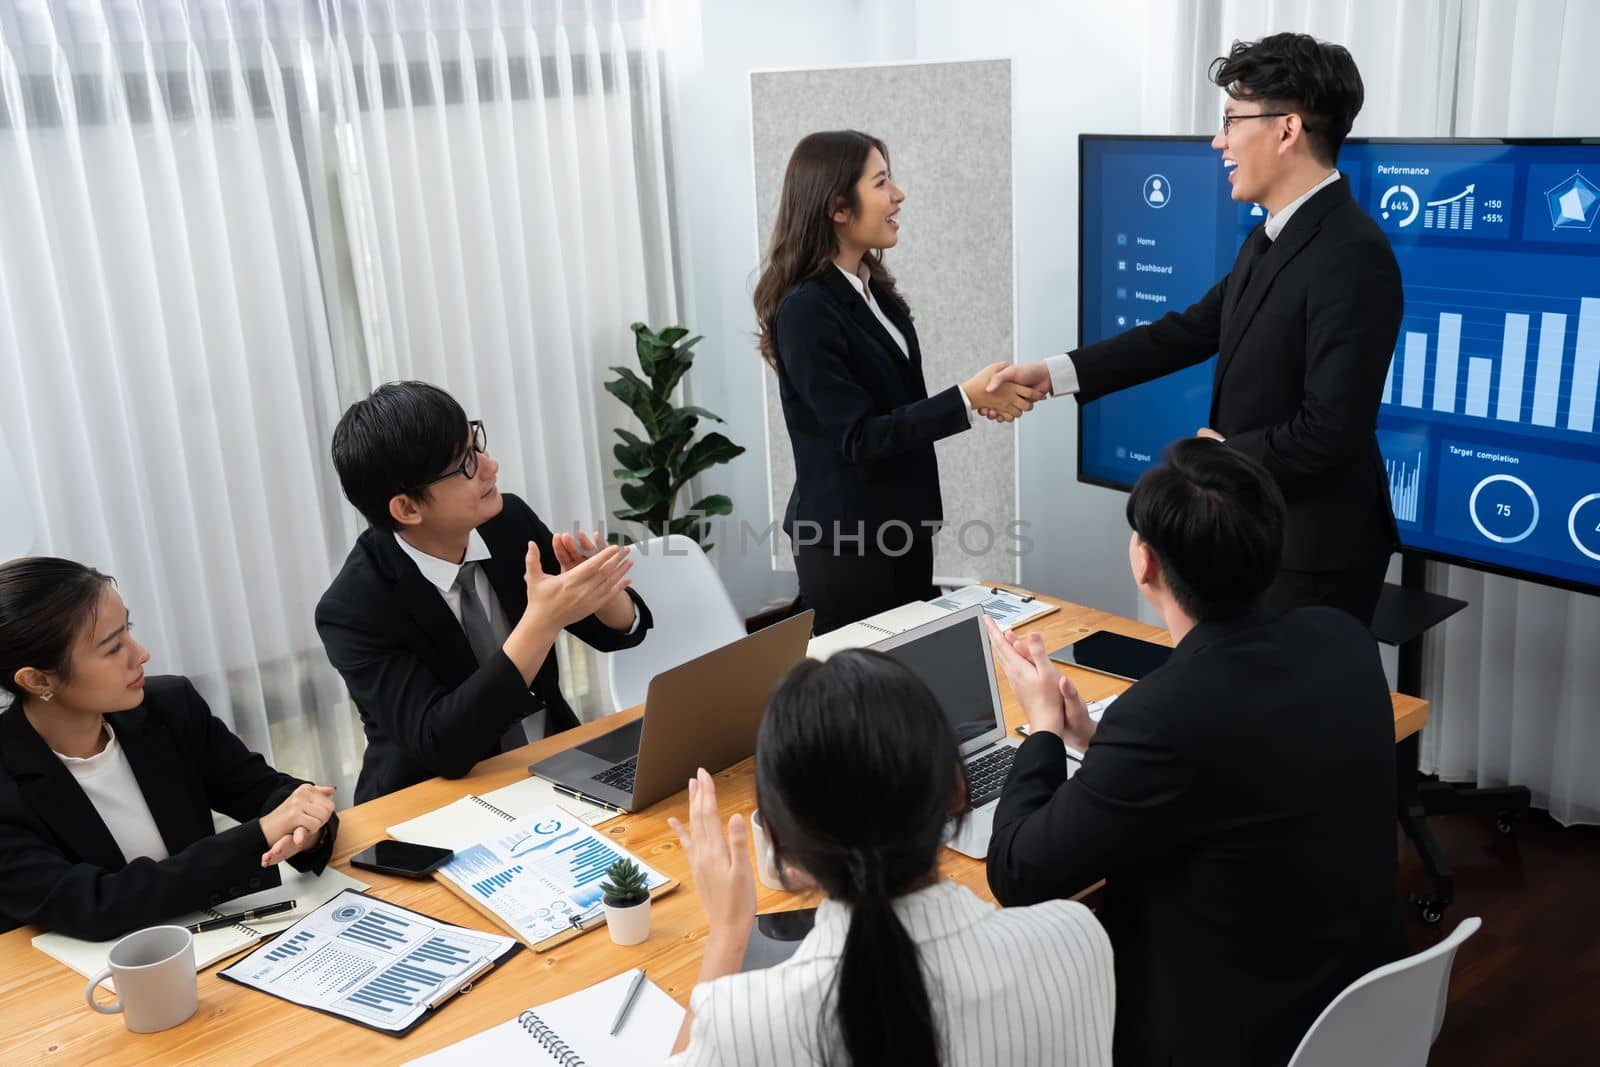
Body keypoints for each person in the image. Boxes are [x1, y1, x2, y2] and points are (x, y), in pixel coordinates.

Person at [985, 439, 1408, 1067]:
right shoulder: (1342, 639)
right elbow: (1242, 773)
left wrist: (1044, 726)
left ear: (1145, 562)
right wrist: (1095, 745)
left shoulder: (1165, 714)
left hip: (1238, 1035)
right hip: (1363, 1012)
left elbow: (1017, 872)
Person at [985, 33, 1401, 625]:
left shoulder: (1351, 251)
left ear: (1286, 130)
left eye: (1232, 120)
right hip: (1260, 530)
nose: (1218, 140)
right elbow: (1185, 332)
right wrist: (1052, 375)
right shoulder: (1270, 236)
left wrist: (1223, 458)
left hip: (1314, 553)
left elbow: (1331, 427)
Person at [666, 650, 1113, 1066]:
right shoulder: (1078, 938)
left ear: (785, 851)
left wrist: (727, 933)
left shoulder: (739, 1025)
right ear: (957, 790)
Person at [754, 130, 1046, 634]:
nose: (898, 195)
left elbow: (897, 409)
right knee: (868, 703)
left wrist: (975, 401)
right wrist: (963, 398)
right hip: (849, 544)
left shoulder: (876, 291)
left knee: (912, 683)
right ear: (838, 208)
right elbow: (859, 437)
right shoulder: (806, 310)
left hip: (903, 526)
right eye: (882, 182)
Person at [316, 381, 652, 803]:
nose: (490, 466)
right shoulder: (353, 608)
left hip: (553, 764)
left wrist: (601, 589)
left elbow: (615, 634)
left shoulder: (507, 521)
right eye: (465, 466)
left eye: (478, 447)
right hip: (433, 803)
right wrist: (541, 622)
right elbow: (442, 744)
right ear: (407, 508)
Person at [0, 557, 338, 941]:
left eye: (127, 629)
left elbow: (272, 793)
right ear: (37, 679)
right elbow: (92, 905)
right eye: (113, 648)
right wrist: (259, 836)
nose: (141, 653)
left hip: (214, 939)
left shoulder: (169, 708)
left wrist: (305, 828)